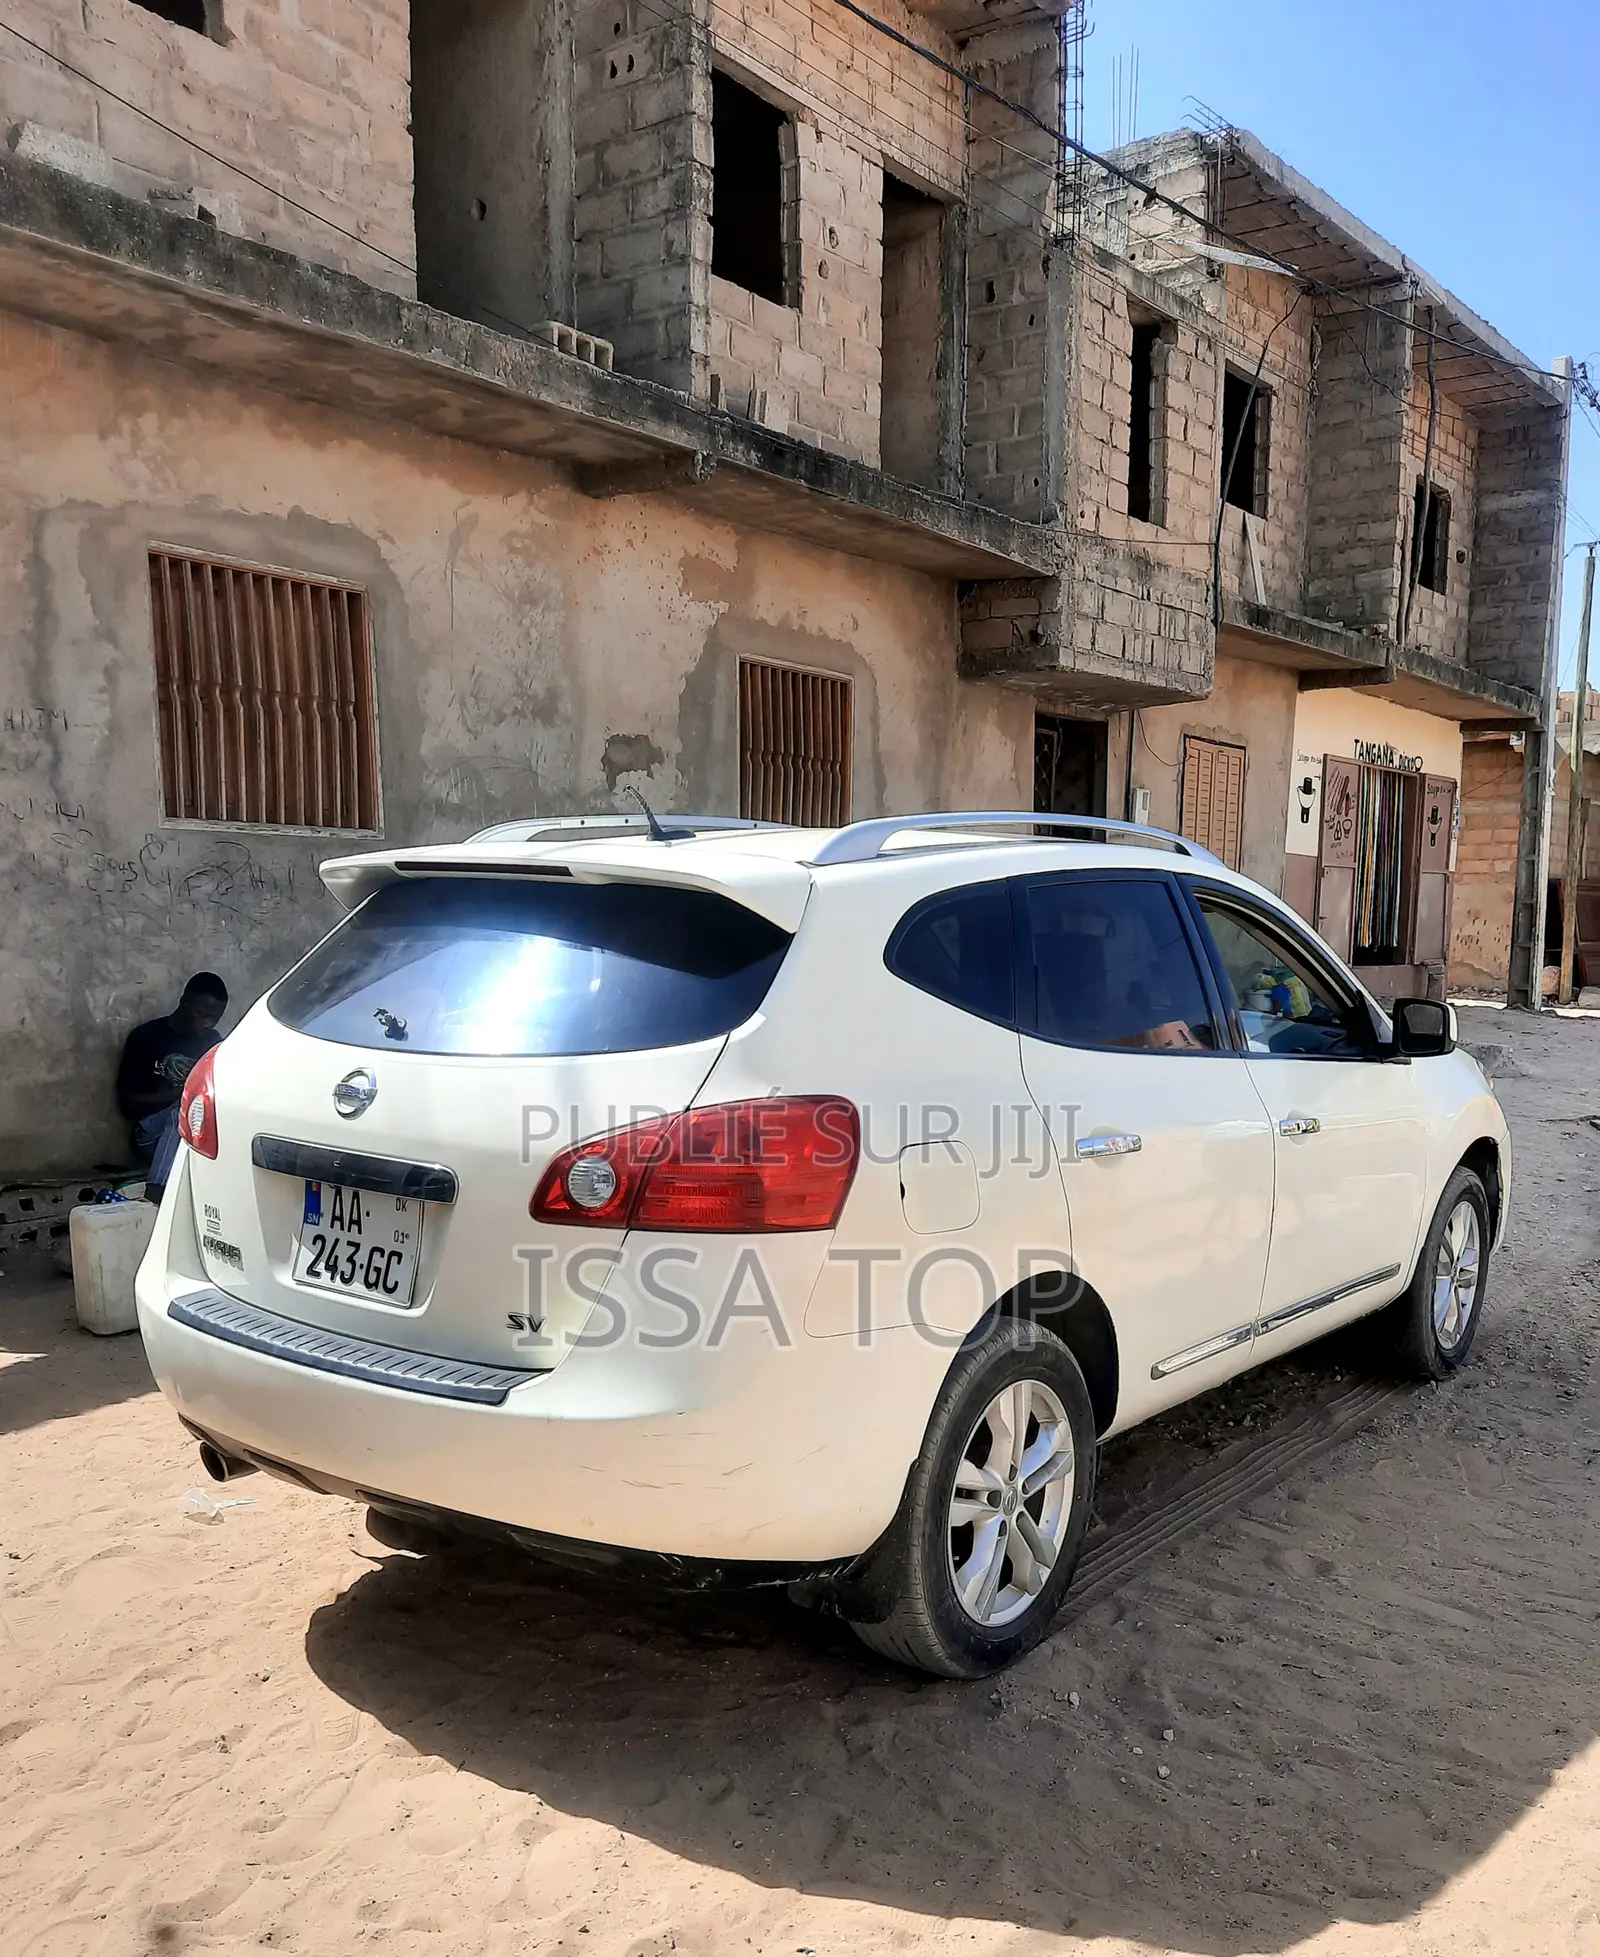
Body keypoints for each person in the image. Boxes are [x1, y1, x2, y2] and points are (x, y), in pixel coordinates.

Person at [116, 972, 228, 1202]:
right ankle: (156, 1192)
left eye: (215, 1018)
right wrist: (178, 1096)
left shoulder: (212, 1042)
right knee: (186, 1109)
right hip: (149, 1136)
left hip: (195, 1136)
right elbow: (128, 1103)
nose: (208, 1024)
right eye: (203, 1015)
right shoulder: (147, 1037)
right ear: (185, 1002)